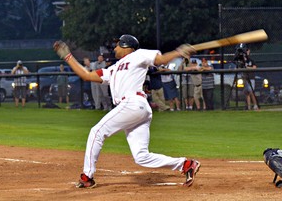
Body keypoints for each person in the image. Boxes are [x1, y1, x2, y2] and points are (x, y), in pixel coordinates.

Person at [53, 34, 200, 188]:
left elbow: (161, 60)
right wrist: (68, 56)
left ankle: (86, 177)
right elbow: (87, 75)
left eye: (118, 44)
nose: (115, 47)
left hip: (133, 103)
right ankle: (186, 164)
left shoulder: (139, 54)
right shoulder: (113, 68)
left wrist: (179, 52)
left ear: (126, 47)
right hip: (137, 109)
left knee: (96, 132)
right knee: (141, 156)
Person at [234, 44, 259, 110]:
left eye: (247, 50)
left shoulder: (251, 60)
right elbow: (239, 67)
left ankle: (255, 105)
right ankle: (249, 106)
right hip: (245, 78)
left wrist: (247, 67)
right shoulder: (241, 60)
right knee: (247, 93)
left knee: (251, 91)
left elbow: (254, 67)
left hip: (251, 78)